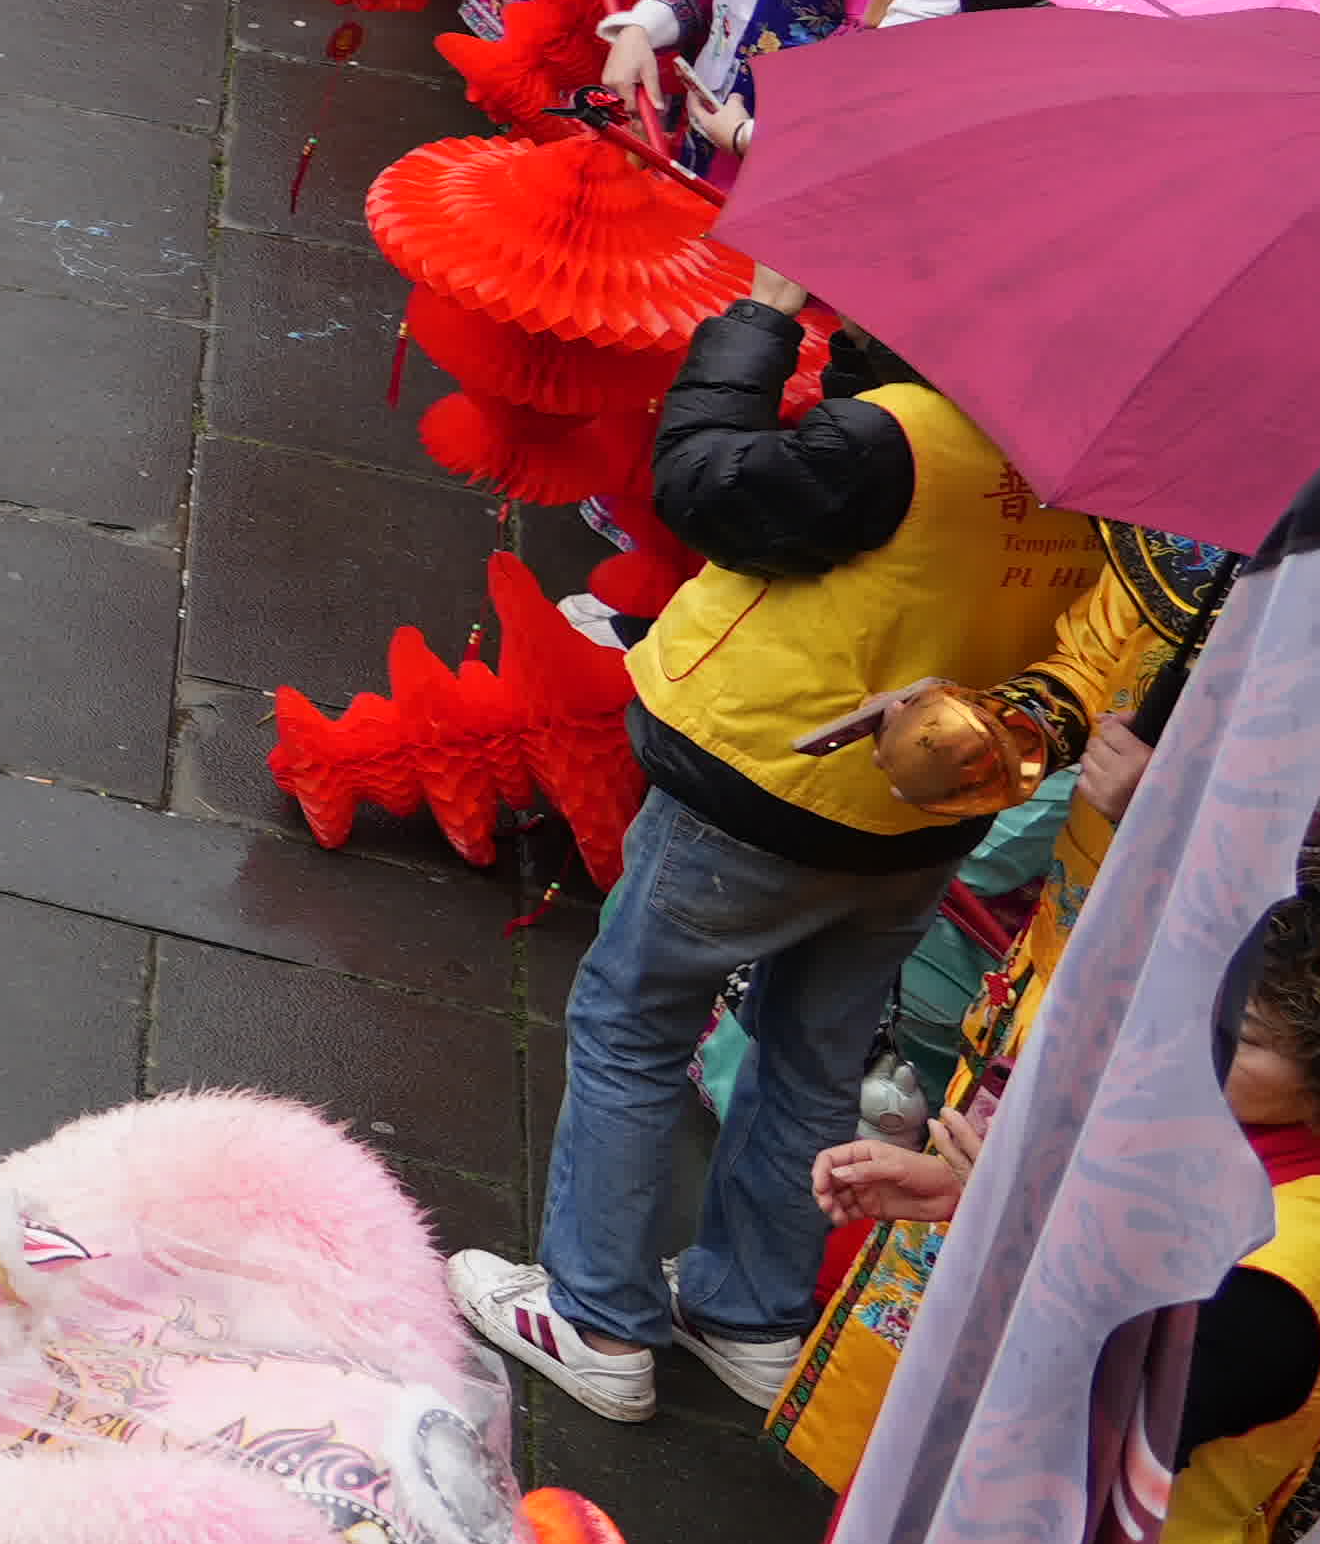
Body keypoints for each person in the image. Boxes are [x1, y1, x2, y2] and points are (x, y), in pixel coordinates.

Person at [451, 260, 1107, 1427]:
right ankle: (749, 1314)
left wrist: (757, 317)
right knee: (815, 1052)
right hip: (920, 812)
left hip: (765, 776)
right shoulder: (1110, 477)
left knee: (633, 1022)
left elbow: (706, 489)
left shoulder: (902, 436)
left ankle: (596, 1316)